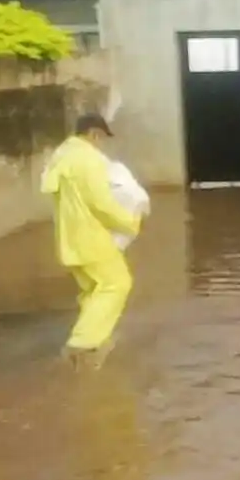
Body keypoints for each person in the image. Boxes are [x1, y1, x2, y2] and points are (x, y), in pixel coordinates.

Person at [40, 113, 143, 369]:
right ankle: (82, 345)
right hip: (91, 237)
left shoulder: (61, 155)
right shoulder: (89, 160)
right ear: (94, 133)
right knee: (117, 283)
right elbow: (102, 204)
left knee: (93, 289)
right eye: (101, 139)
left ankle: (96, 339)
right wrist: (130, 221)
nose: (101, 145)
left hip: (69, 238)